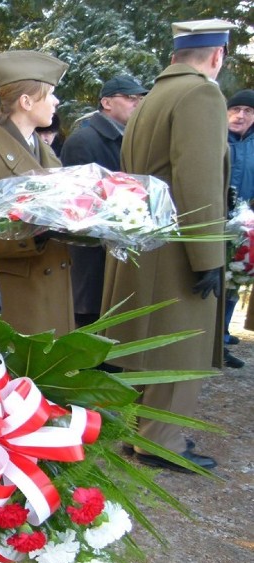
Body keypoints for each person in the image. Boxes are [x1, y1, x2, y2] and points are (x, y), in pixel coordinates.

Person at [102, 18, 235, 472]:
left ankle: (144, 433)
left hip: (149, 241)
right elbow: (197, 182)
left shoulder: (150, 99)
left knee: (153, 346)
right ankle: (162, 441)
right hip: (180, 245)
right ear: (216, 55)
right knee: (183, 347)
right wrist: (208, 255)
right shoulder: (201, 93)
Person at [0, 50, 74, 336]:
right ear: (26, 101)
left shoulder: (44, 150)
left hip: (56, 291)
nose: (56, 102)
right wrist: (35, 232)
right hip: (20, 300)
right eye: (50, 94)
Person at [60, 75, 148, 327]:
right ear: (106, 102)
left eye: (140, 99)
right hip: (93, 256)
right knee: (93, 328)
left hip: (119, 250)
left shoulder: (131, 139)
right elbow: (78, 206)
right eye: (130, 98)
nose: (137, 103)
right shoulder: (83, 141)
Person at [223, 89, 254, 365]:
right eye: (235, 109)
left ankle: (221, 336)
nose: (240, 115)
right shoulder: (216, 137)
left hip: (244, 223)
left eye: (248, 111)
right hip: (216, 220)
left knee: (236, 278)